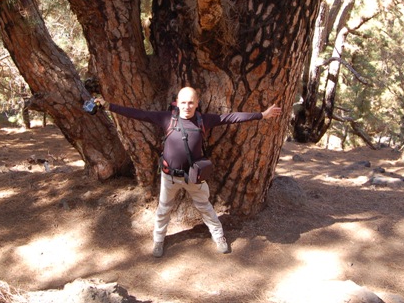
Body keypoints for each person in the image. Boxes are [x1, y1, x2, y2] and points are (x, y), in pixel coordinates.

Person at [95, 87, 282, 257]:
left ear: (197, 103)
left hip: (194, 177)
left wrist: (262, 115)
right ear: (177, 103)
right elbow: (138, 114)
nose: (187, 106)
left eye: (191, 102)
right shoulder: (167, 118)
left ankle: (219, 237)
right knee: (163, 210)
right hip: (169, 177)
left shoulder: (203, 120)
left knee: (206, 208)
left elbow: (230, 117)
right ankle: (158, 240)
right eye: (183, 102)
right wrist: (109, 105)